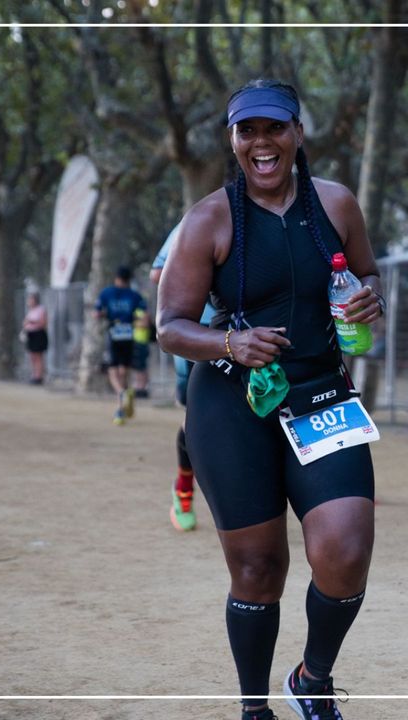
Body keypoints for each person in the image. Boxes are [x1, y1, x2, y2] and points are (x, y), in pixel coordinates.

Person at [157, 79, 383, 720]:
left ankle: (313, 678)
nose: (262, 143)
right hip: (233, 405)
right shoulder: (208, 220)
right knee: (258, 568)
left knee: (346, 549)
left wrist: (369, 294)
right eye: (247, 131)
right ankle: (254, 709)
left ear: (297, 134)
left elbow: (366, 272)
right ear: (233, 141)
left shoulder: (336, 204)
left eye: (274, 128)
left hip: (321, 393)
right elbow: (170, 324)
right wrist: (230, 341)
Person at [151, 224, 215, 532]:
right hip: (198, 335)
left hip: (258, 334)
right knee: (196, 419)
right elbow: (157, 272)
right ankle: (184, 489)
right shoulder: (198, 220)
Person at [96, 266, 146, 425]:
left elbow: (97, 313)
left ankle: (122, 393)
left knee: (112, 370)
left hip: (113, 334)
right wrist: (132, 321)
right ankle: (121, 409)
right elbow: (145, 319)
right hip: (129, 335)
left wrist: (105, 315)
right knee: (124, 370)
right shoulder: (135, 296)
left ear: (116, 277)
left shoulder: (107, 293)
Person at [22, 291, 48, 385]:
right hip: (31, 334)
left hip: (38, 335)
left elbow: (43, 323)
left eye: (31, 299)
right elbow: (25, 322)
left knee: (38, 356)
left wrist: (31, 322)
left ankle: (39, 376)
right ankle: (34, 375)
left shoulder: (41, 309)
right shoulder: (31, 310)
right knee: (32, 356)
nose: (29, 301)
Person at [131, 307, 153, 398]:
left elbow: (145, 324)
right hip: (135, 342)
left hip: (142, 343)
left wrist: (133, 322)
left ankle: (142, 387)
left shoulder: (143, 311)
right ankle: (138, 386)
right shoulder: (135, 311)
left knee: (141, 367)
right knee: (137, 367)